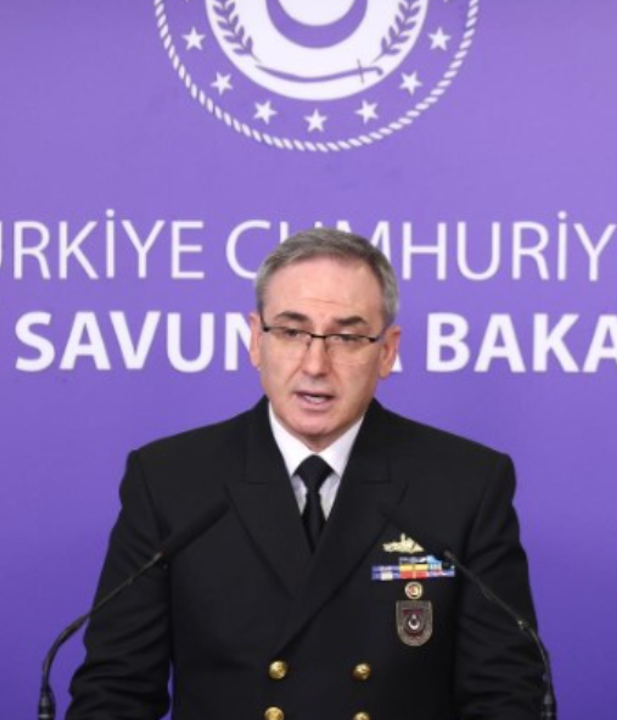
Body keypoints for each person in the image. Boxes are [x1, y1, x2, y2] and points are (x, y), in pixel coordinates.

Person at [67, 228, 545, 720]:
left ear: (386, 351)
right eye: (292, 332)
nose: (316, 364)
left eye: (347, 337)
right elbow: (116, 693)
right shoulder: (170, 480)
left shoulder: (465, 484)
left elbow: (505, 696)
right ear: (256, 340)